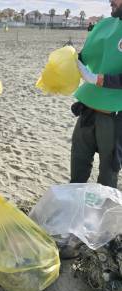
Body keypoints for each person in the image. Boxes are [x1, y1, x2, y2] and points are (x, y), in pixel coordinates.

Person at [71, 0, 122, 188]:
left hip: (114, 119)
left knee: (107, 180)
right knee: (77, 175)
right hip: (87, 112)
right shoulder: (104, 25)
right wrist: (69, 59)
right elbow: (85, 56)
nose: (110, 1)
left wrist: (99, 80)